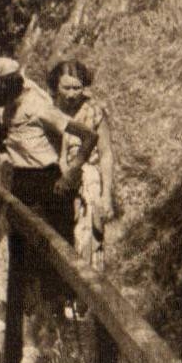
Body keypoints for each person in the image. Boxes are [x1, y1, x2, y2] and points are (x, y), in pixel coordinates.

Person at [0, 56, 98, 245]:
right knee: (21, 246)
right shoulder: (12, 105)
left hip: (47, 181)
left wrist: (71, 172)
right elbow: (7, 130)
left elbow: (89, 136)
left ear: (8, 86)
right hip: (22, 179)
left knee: (54, 246)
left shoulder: (38, 107)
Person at [47, 55, 115, 273]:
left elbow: (105, 153)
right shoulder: (48, 110)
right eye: (66, 87)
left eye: (77, 88)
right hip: (55, 180)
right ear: (55, 85)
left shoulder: (94, 111)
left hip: (88, 182)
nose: (71, 94)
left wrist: (106, 195)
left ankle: (86, 299)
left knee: (87, 240)